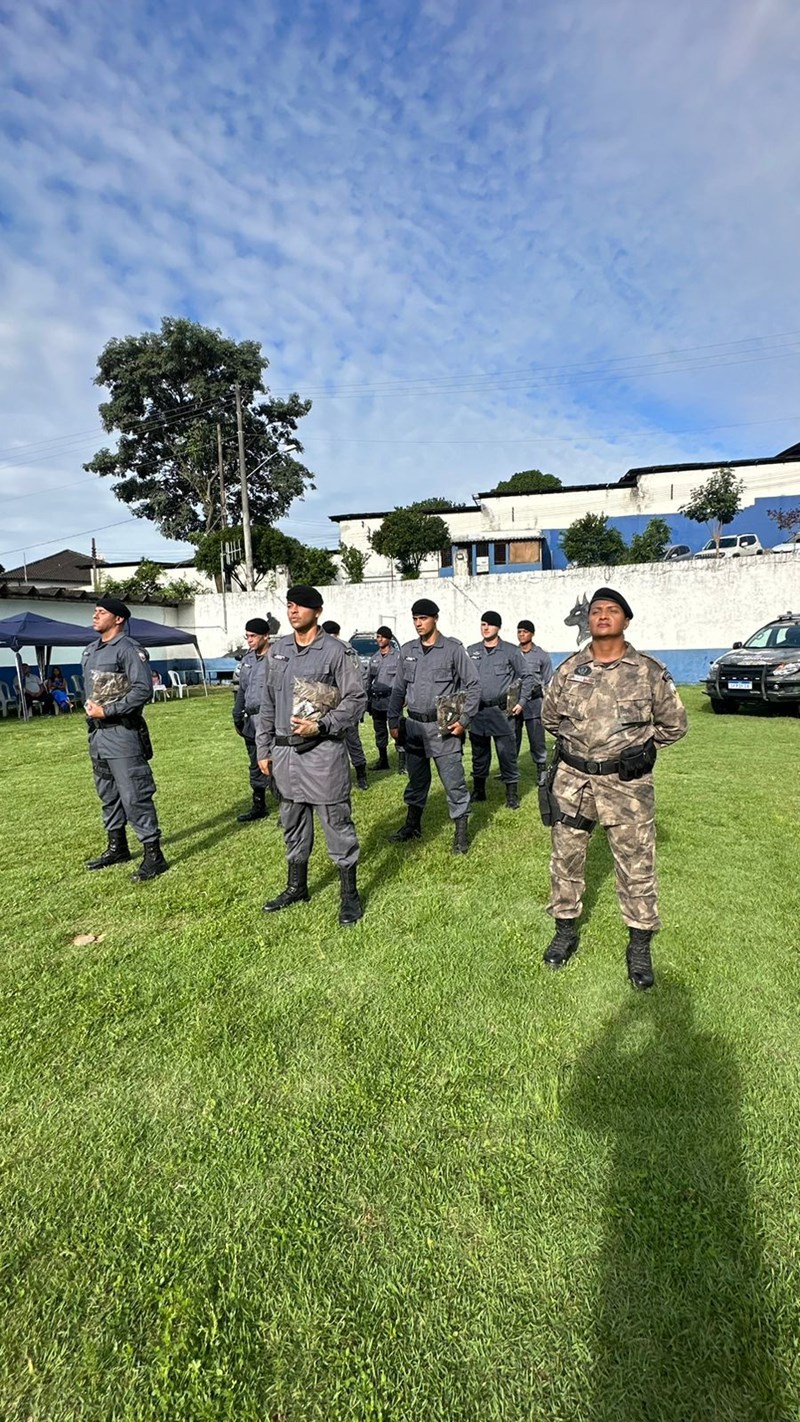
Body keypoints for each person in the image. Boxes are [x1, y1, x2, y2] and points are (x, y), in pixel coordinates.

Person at [540, 587, 688, 989]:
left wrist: (640, 751)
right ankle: (565, 931)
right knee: (565, 859)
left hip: (627, 784)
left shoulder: (649, 672)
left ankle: (639, 945)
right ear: (587, 622)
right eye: (596, 611)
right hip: (574, 782)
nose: (603, 616)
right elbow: (551, 718)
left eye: (612, 610)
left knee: (636, 864)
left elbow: (675, 724)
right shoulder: (569, 669)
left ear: (626, 620)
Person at [257, 587, 367, 926]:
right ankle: (296, 886)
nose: (293, 611)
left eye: (301, 606)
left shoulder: (336, 652)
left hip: (322, 753)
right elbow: (267, 702)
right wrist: (263, 748)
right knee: (291, 822)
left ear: (317, 611)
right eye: (290, 605)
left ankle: (349, 895)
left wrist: (323, 725)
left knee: (336, 823)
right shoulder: (277, 651)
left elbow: (356, 699)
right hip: (285, 754)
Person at [81, 595, 168, 880]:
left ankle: (154, 855)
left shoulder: (129, 650)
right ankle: (117, 846)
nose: (95, 615)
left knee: (134, 794)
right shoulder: (91, 650)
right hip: (98, 735)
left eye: (101, 612)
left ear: (118, 619)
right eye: (95, 611)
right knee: (108, 793)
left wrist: (108, 710)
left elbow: (142, 690)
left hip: (122, 732)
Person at [386, 598, 480, 854]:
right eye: (415, 618)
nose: (419, 623)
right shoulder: (407, 651)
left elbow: (474, 685)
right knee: (416, 781)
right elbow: (398, 689)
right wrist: (393, 720)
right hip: (414, 726)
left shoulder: (452, 649)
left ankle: (461, 833)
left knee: (454, 782)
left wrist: (464, 720)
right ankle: (412, 826)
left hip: (444, 728)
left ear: (435, 618)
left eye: (423, 618)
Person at [466, 611, 536, 811]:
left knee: (506, 754)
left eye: (489, 624)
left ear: (498, 627)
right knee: (479, 754)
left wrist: (522, 701)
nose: (485, 627)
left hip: (502, 712)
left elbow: (528, 676)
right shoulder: (472, 651)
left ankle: (511, 795)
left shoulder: (511, 651)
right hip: (478, 712)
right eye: (482, 624)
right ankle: (479, 791)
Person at [231, 617, 272, 822]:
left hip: (269, 718)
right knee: (255, 762)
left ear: (266, 636)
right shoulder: (248, 660)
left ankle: (288, 805)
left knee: (275, 762)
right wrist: (237, 714)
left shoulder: (277, 658)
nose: (249, 640)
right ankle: (259, 804)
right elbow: (242, 689)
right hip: (251, 718)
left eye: (253, 636)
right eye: (247, 636)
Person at [321, 620, 368, 790]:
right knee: (352, 740)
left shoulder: (340, 650)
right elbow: (362, 676)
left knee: (337, 741)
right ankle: (361, 777)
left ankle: (356, 776)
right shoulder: (349, 650)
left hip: (336, 704)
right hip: (346, 703)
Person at [515, 620, 553, 783]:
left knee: (536, 737)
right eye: (519, 631)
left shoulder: (541, 655)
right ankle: (510, 770)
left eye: (525, 631)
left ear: (532, 633)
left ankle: (541, 769)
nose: (521, 634)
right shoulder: (512, 652)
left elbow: (547, 678)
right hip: (515, 702)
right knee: (512, 737)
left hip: (534, 701)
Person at [366, 626, 403, 772]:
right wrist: (367, 700)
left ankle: (402, 764)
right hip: (377, 702)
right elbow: (368, 680)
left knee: (397, 730)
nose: (379, 639)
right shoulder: (374, 658)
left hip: (392, 700)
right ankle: (383, 761)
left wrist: (404, 697)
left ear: (389, 638)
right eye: (377, 637)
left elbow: (403, 678)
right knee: (379, 732)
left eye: (382, 637)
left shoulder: (398, 657)